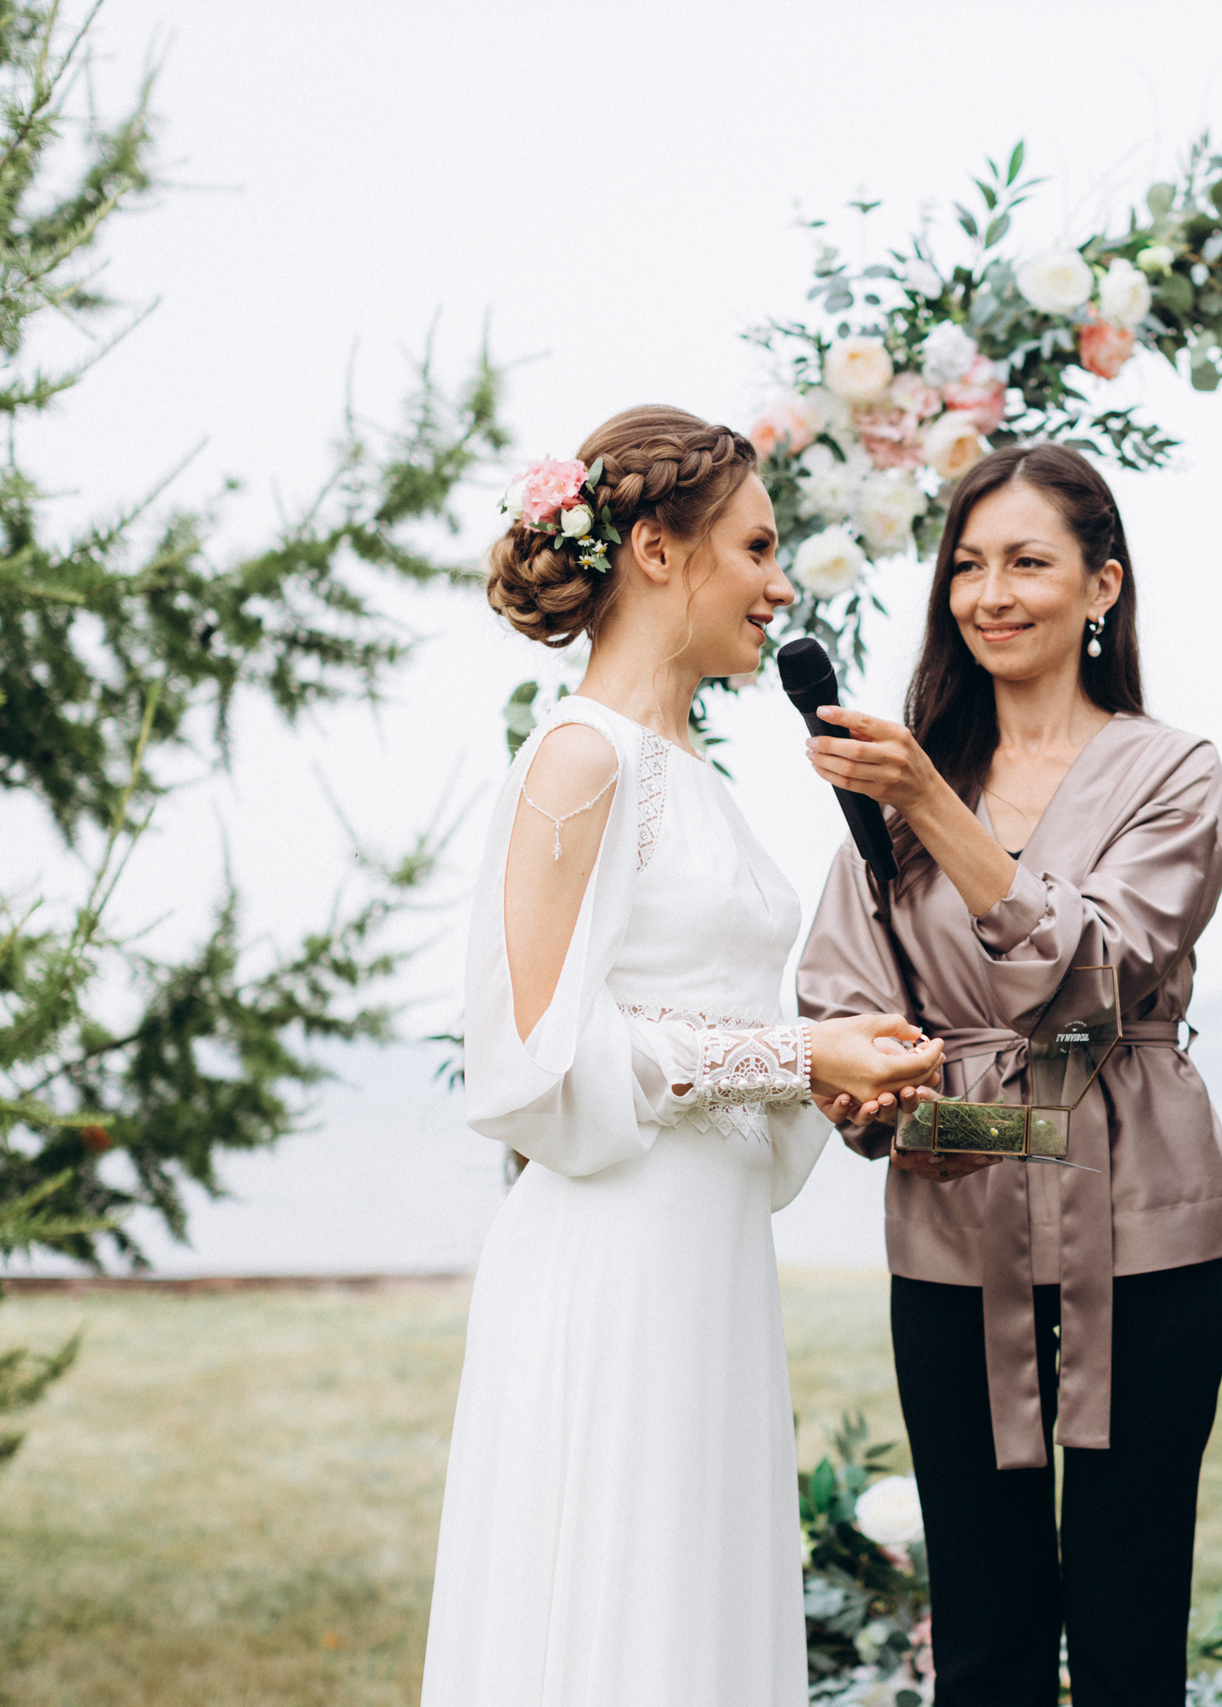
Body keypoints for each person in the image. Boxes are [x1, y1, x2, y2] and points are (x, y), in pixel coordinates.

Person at [421, 406, 942, 1707]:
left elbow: (713, 1034)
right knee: (615, 1615)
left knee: (697, 1610)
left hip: (708, 1255)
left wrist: (826, 1072)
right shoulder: (579, 758)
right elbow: (530, 1061)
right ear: (658, 549)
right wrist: (792, 1046)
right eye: (757, 547)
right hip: (612, 1259)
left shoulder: (694, 770)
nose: (781, 585)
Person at [796, 444, 1222, 1707]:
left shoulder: (1171, 771)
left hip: (1143, 1231)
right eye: (967, 566)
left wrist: (932, 804)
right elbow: (840, 995)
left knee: (1128, 1610)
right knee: (979, 1620)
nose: (990, 592)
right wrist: (862, 1096)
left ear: (1101, 587)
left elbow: (1094, 978)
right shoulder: (890, 788)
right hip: (952, 1228)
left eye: (1027, 562)